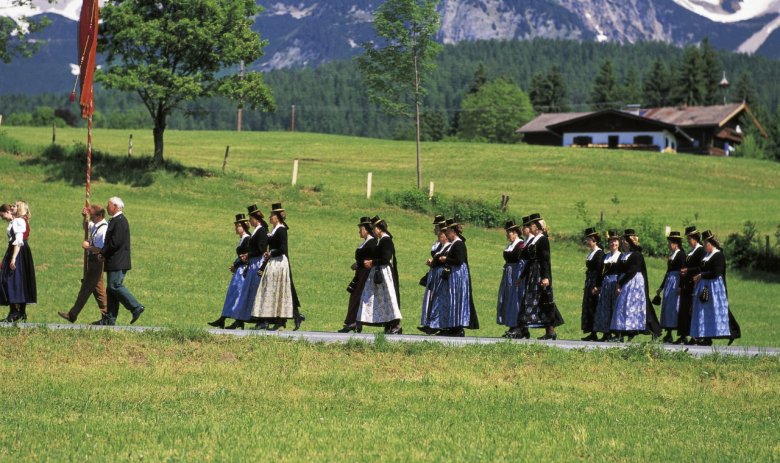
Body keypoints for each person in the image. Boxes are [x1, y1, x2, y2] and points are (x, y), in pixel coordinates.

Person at [251, 203, 304, 331]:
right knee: (274, 290)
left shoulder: (281, 230)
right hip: (273, 262)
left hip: (279, 262)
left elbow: (283, 249)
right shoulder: (275, 230)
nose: (270, 217)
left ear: (277, 217)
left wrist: (271, 253)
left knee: (279, 290)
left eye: (272, 215)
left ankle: (280, 319)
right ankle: (278, 319)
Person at [93, 196, 144, 326]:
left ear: (115, 206)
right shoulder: (115, 220)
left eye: (108, 205)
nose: (106, 207)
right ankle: (109, 319)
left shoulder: (120, 221)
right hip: (113, 261)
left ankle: (135, 307)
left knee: (114, 286)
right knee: (110, 290)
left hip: (118, 261)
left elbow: (115, 243)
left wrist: (102, 252)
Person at [58, 205, 108, 323]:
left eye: (92, 216)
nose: (91, 218)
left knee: (85, 288)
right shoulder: (96, 225)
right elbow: (87, 227)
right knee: (99, 291)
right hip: (92, 261)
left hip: (97, 261)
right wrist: (84, 217)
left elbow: (101, 250)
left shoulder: (103, 229)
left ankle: (73, 314)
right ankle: (107, 316)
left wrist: (88, 247)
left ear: (100, 216)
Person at [689, 230, 741, 346]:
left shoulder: (718, 255)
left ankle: (731, 333)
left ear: (710, 243)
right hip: (705, 286)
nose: (704, 246)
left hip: (714, 287)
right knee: (704, 312)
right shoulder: (707, 255)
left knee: (714, 312)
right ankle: (706, 337)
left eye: (705, 243)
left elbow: (716, 272)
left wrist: (701, 275)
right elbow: (702, 269)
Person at [610, 229, 661, 341]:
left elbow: (632, 272)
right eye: (623, 241)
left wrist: (620, 283)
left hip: (634, 284)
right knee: (622, 308)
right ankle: (622, 333)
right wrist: (618, 282)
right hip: (625, 282)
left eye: (626, 241)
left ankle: (653, 331)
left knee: (635, 308)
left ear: (631, 241)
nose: (624, 243)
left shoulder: (636, 255)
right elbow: (620, 270)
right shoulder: (624, 255)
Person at [223, 205, 268, 330]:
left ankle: (260, 320)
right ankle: (240, 319)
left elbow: (260, 249)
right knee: (247, 292)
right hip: (253, 263)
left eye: (251, 218)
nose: (250, 221)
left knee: (254, 292)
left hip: (258, 263)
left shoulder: (261, 230)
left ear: (256, 219)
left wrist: (248, 255)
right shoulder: (257, 231)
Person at [520, 213, 564, 340]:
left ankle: (550, 330)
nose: (530, 227)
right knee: (538, 300)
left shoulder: (543, 239)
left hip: (540, 272)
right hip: (533, 273)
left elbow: (545, 259)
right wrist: (522, 276)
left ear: (538, 226)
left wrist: (546, 277)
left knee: (545, 300)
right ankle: (547, 330)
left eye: (532, 225)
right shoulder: (534, 239)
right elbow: (528, 259)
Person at [357, 215, 402, 334]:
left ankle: (395, 325)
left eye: (374, 228)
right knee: (382, 300)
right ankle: (388, 323)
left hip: (385, 273)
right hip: (379, 272)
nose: (372, 231)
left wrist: (372, 262)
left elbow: (386, 258)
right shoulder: (382, 240)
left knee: (389, 299)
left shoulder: (386, 240)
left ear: (379, 228)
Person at [207, 214, 251, 328]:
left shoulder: (247, 239)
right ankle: (225, 318)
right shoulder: (242, 239)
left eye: (238, 226)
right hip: (239, 270)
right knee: (233, 293)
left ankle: (235, 320)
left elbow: (246, 257)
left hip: (243, 271)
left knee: (238, 294)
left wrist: (236, 264)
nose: (236, 229)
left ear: (243, 226)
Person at [339, 216, 376, 333]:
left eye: (361, 228)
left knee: (358, 297)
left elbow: (371, 259)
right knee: (355, 296)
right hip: (360, 273)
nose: (359, 231)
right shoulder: (366, 242)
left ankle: (354, 322)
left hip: (366, 274)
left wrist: (358, 264)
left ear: (366, 229)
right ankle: (353, 322)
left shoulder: (372, 242)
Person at [0, 202, 36, 322]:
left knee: (11, 280)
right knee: (18, 281)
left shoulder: (18, 221)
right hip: (18, 250)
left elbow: (19, 240)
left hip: (17, 250)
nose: (12, 207)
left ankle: (15, 312)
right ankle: (20, 312)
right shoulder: (18, 220)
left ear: (19, 209)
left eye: (15, 206)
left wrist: (14, 258)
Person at [418, 225, 451, 335]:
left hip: (441, 274)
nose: (439, 236)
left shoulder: (448, 247)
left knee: (438, 299)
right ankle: (430, 324)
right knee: (432, 298)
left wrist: (436, 262)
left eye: (441, 235)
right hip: (435, 273)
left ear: (445, 236)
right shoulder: (441, 247)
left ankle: (436, 325)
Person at [497, 219, 527, 339]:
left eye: (509, 232)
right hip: (508, 274)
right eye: (507, 232)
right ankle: (511, 324)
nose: (507, 234)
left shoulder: (521, 245)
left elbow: (521, 261)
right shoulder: (510, 245)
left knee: (516, 299)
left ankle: (519, 326)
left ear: (515, 232)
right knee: (508, 298)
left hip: (516, 273)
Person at [676, 225, 706, 344]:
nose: (688, 241)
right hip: (686, 284)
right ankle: (683, 334)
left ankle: (695, 336)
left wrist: (688, 271)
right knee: (684, 310)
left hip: (695, 283)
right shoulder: (690, 252)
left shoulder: (701, 250)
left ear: (695, 238)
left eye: (690, 238)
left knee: (692, 310)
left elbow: (701, 267)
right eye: (688, 238)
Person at [656, 231, 685, 343]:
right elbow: (668, 272)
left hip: (676, 282)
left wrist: (681, 286)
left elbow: (683, 272)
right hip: (670, 282)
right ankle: (668, 333)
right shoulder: (672, 255)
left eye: (670, 243)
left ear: (676, 244)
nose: (668, 245)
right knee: (668, 307)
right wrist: (661, 287)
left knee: (675, 307)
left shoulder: (681, 255)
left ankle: (680, 333)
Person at [593, 230, 621, 341]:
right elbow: (600, 273)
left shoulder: (621, 256)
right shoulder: (605, 257)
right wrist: (597, 285)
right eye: (611, 241)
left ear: (618, 243)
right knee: (604, 308)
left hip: (615, 283)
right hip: (605, 283)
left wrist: (620, 285)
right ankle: (606, 333)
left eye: (615, 241)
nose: (613, 243)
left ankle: (618, 334)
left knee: (615, 307)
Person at [580, 227, 604, 341]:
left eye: (588, 239)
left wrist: (597, 285)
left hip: (594, 281)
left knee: (594, 306)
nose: (587, 242)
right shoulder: (592, 252)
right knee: (588, 306)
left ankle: (595, 330)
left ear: (594, 240)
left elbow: (600, 271)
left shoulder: (599, 253)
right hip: (589, 281)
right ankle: (591, 332)